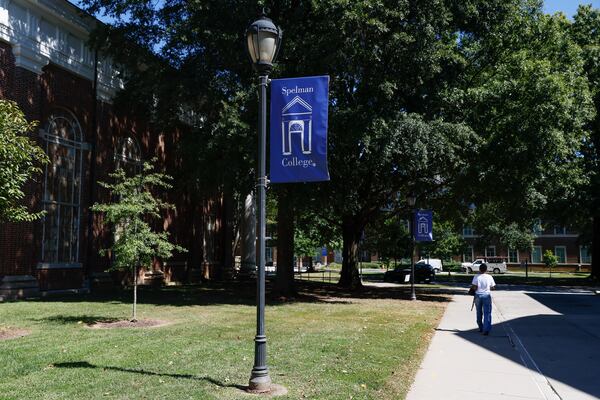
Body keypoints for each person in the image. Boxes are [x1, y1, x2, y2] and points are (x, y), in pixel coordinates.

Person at [470, 263, 496, 335]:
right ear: (486, 269)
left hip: (478, 295)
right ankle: (486, 329)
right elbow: (493, 287)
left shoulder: (476, 276)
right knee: (487, 313)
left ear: (479, 269)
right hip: (486, 296)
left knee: (479, 312)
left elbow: (474, 287)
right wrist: (488, 288)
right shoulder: (489, 277)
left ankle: (480, 327)